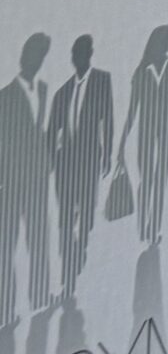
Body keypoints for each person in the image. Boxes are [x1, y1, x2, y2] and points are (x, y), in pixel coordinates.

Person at [46, 35, 112, 299]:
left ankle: (80, 250)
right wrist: (50, 162)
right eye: (75, 54)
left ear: (90, 54)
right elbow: (52, 130)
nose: (78, 58)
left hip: (88, 161)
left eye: (83, 53)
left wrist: (107, 154)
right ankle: (68, 273)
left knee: (86, 214)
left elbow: (108, 118)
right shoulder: (62, 92)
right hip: (65, 164)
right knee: (65, 219)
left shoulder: (102, 81)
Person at [0, 35, 50, 322]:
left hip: (36, 182)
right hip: (9, 184)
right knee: (6, 246)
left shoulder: (43, 90)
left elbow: (39, 132)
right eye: (35, 54)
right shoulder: (4, 96)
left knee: (38, 239)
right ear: (24, 56)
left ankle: (39, 298)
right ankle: (5, 309)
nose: (38, 61)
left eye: (42, 56)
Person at [120, 25, 168, 245]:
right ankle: (142, 226)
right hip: (146, 130)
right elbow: (132, 110)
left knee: (160, 180)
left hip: (167, 129)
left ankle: (154, 228)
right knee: (146, 178)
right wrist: (122, 142)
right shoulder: (141, 73)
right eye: (166, 40)